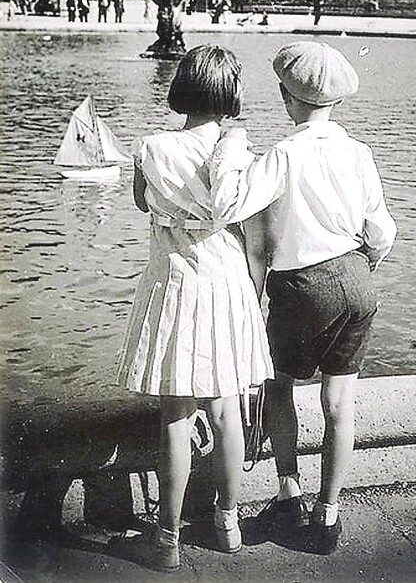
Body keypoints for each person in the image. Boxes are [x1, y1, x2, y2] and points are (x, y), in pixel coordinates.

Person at [209, 41, 397, 554]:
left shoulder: (283, 153)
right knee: (340, 404)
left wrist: (230, 148)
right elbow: (381, 230)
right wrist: (361, 265)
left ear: (287, 97)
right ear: (336, 101)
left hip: (302, 286)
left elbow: (232, 205)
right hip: (358, 280)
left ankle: (288, 492)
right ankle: (328, 516)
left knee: (279, 386)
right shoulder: (360, 152)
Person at [109, 45, 273, 572]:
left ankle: (166, 539)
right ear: (231, 95)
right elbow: (252, 230)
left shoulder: (152, 147)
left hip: (176, 285)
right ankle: (228, 523)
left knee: (175, 417)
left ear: (182, 89)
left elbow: (143, 204)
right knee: (227, 410)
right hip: (226, 286)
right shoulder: (241, 153)